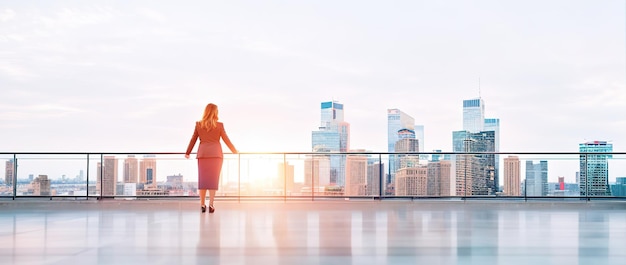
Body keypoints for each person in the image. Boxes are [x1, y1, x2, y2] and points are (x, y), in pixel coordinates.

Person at [185, 103, 237, 213]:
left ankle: (202, 205)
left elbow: (193, 139)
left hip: (203, 155)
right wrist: (234, 151)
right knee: (213, 181)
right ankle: (211, 205)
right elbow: (226, 139)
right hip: (216, 155)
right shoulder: (219, 125)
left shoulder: (199, 124)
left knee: (203, 181)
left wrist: (188, 152)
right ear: (215, 112)